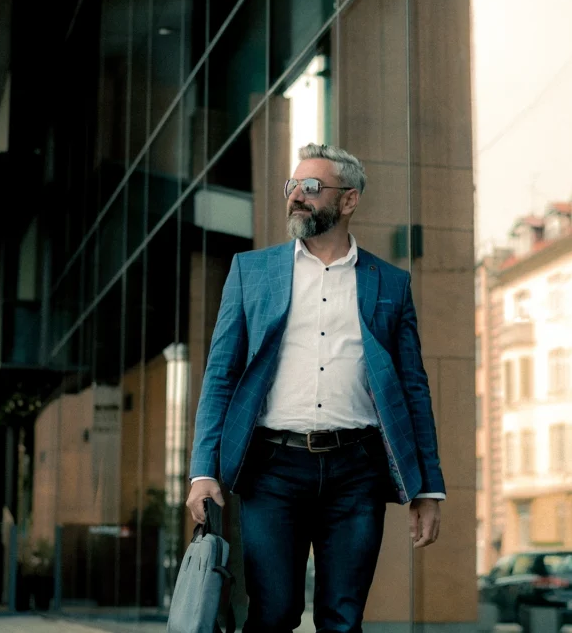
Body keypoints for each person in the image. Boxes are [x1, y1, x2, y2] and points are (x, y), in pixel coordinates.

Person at [186, 144, 446, 632]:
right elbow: (220, 375)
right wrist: (203, 471)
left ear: (348, 201)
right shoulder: (251, 271)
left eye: (311, 188)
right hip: (273, 469)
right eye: (293, 186)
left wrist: (427, 487)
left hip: (357, 471)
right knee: (274, 612)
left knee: (343, 620)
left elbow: (413, 388)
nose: (296, 197)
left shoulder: (390, 282)